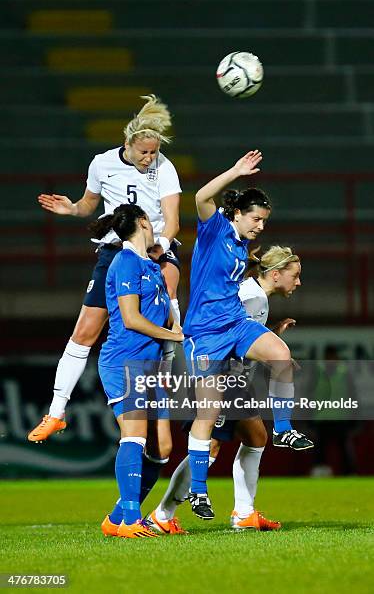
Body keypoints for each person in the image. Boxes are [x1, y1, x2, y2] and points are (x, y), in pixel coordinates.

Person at [28, 94, 181, 443]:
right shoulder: (101, 164)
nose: (150, 158)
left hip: (156, 252)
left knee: (169, 302)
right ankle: (56, 412)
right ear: (127, 144)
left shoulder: (165, 169)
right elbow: (89, 206)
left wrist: (162, 247)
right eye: (144, 152)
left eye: (154, 152)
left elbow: (172, 221)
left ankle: (167, 396)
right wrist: (73, 209)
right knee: (85, 331)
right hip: (115, 254)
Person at [181, 150, 311, 520]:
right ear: (237, 214)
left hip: (235, 324)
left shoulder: (239, 245)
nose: (260, 226)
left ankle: (283, 428)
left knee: (281, 355)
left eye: (264, 221)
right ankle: (199, 492)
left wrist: (267, 330)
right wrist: (235, 172)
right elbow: (200, 198)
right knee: (208, 413)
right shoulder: (215, 229)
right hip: (205, 334)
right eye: (256, 219)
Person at [149, 245, 302, 533]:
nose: (298, 282)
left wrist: (271, 336)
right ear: (277, 274)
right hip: (219, 376)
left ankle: (242, 512)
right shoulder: (249, 295)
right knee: (213, 447)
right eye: (295, 275)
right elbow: (220, 330)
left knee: (256, 437)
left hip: (234, 381)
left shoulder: (257, 297)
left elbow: (242, 333)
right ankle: (164, 514)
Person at [88, 204, 184, 538]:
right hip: (124, 360)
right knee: (134, 435)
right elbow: (131, 318)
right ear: (143, 222)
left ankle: (115, 519)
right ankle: (131, 518)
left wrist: (182, 327)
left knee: (162, 449)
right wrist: (174, 335)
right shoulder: (124, 261)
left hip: (151, 364)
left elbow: (163, 313)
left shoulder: (150, 265)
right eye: (153, 221)